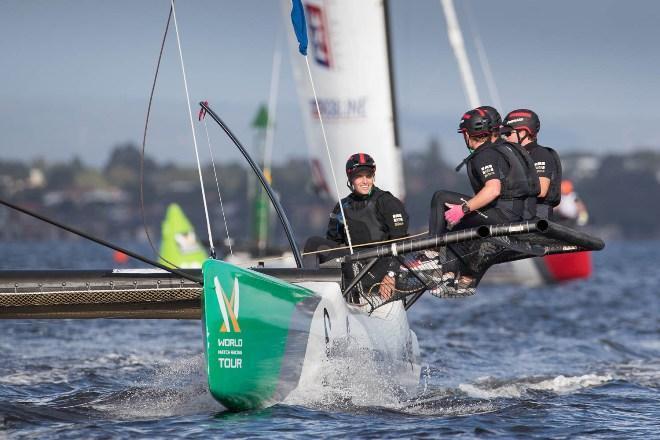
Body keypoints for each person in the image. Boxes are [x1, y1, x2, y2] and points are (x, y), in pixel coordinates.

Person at [427, 108, 540, 287]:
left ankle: (430, 254)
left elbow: (493, 190)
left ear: (468, 134)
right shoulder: (506, 149)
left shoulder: (484, 155)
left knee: (441, 197)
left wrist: (463, 209)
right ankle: (454, 274)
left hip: (503, 217)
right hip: (520, 216)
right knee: (457, 229)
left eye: (464, 133)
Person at [304, 153, 409, 299]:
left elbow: (401, 243)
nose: (365, 181)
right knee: (313, 243)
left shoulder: (388, 202)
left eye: (369, 176)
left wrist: (391, 275)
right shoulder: (342, 206)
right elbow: (332, 243)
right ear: (351, 179)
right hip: (354, 267)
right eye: (360, 176)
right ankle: (308, 293)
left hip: (382, 270)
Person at [502, 109, 562, 219]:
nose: (505, 137)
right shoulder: (513, 156)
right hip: (516, 215)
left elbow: (541, 190)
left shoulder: (540, 154)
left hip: (537, 217)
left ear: (523, 132)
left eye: (508, 133)